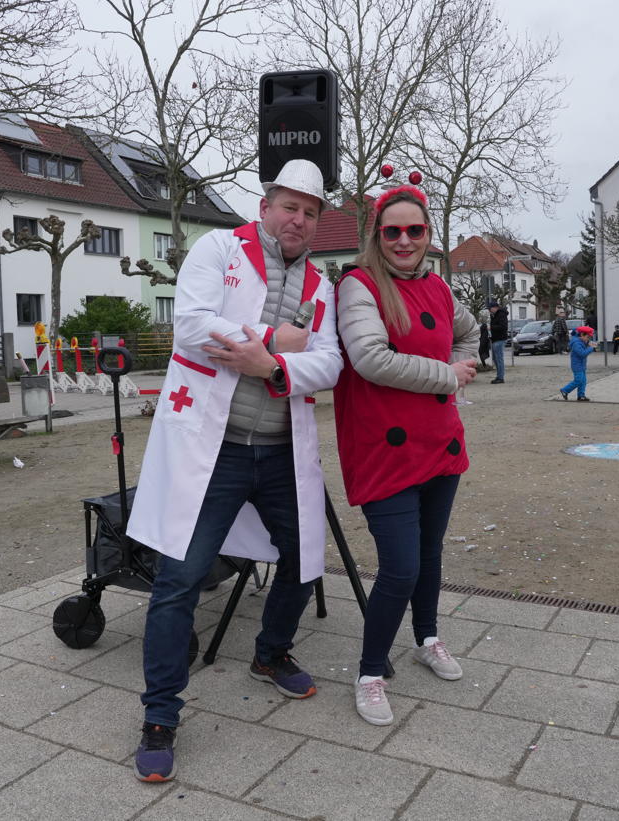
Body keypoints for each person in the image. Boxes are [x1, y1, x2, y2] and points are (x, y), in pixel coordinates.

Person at [127, 159, 343, 782]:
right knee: (180, 580)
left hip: (279, 449)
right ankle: (160, 715)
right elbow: (191, 327)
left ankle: (270, 654)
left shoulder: (322, 288)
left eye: (310, 211)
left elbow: (329, 366)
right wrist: (277, 343)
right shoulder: (218, 248)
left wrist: (268, 366)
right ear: (266, 203)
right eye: (289, 206)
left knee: (305, 560)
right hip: (212, 449)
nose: (298, 219)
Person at [332, 184, 479, 726]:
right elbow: (370, 358)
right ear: (378, 234)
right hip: (385, 448)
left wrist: (461, 371)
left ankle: (428, 638)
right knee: (400, 567)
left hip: (438, 439)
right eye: (392, 230)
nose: (403, 240)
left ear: (428, 235)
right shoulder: (360, 285)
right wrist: (449, 375)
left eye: (414, 230)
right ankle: (371, 672)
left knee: (430, 553)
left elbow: (470, 331)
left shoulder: (439, 287)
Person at [559, 325, 598, 402]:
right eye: (587, 337)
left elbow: (584, 348)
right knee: (578, 380)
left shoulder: (581, 341)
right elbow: (582, 353)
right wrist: (591, 348)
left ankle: (581, 396)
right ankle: (565, 390)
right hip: (577, 365)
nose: (588, 339)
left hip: (581, 365)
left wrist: (589, 345)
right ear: (582, 335)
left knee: (583, 381)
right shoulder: (576, 343)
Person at [487, 300, 509, 383]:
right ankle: (499, 376)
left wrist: (491, 328)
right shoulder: (494, 315)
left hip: (500, 339)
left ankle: (500, 377)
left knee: (499, 359)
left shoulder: (501, 314)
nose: (489, 310)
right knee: (496, 359)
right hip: (495, 339)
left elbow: (503, 327)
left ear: (495, 308)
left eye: (490, 308)